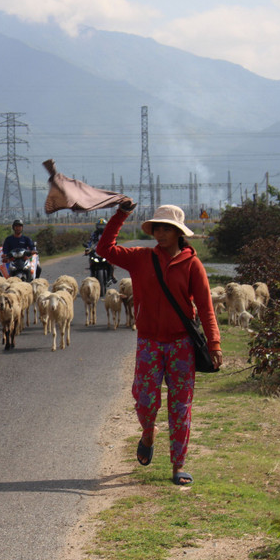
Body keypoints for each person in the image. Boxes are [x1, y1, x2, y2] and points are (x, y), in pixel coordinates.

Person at [96, 202, 223, 486]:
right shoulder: (140, 258)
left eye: (167, 228)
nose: (161, 233)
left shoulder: (192, 265)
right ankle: (148, 431)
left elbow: (205, 307)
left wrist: (214, 343)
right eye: (157, 227)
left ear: (179, 232)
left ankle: (178, 465)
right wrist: (121, 215)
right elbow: (104, 250)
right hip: (149, 343)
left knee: (180, 406)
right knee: (144, 400)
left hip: (181, 346)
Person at [85, 218, 117, 284]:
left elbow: (112, 241)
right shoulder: (94, 234)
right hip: (96, 251)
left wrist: (113, 246)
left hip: (106, 250)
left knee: (111, 262)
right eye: (100, 226)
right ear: (97, 226)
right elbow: (90, 242)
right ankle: (92, 275)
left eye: (103, 226)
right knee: (91, 259)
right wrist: (88, 248)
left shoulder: (108, 234)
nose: (101, 227)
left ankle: (111, 275)